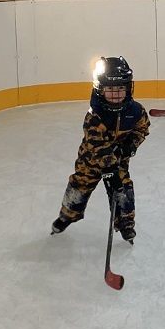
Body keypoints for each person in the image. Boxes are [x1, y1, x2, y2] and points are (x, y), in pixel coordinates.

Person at [51, 57, 150, 243]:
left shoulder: (136, 111)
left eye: (120, 88)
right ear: (100, 89)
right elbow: (96, 145)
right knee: (79, 186)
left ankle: (126, 225)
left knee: (123, 189)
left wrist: (130, 145)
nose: (115, 94)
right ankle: (67, 216)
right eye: (110, 89)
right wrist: (108, 168)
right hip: (91, 161)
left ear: (128, 88)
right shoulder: (94, 116)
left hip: (118, 160)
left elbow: (142, 128)